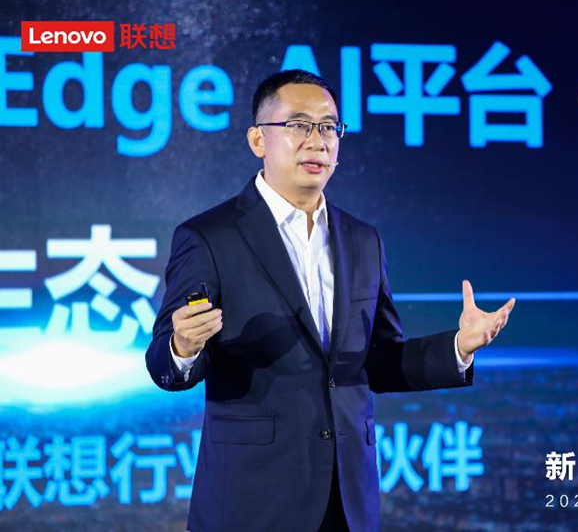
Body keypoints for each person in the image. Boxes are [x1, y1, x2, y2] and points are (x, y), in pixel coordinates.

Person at [145, 69, 515, 532]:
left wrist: (458, 347)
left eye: (328, 127)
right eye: (299, 125)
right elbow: (162, 364)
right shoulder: (209, 236)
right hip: (250, 501)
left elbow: (378, 361)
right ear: (258, 140)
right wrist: (183, 346)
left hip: (347, 500)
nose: (317, 141)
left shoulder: (363, 239)